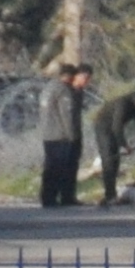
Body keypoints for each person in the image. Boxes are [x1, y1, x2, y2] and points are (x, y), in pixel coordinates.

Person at [36, 60, 91, 209]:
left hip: (48, 134)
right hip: (61, 136)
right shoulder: (63, 90)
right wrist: (73, 137)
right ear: (69, 76)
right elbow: (68, 115)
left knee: (51, 168)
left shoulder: (48, 88)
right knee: (59, 168)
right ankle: (56, 198)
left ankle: (49, 197)